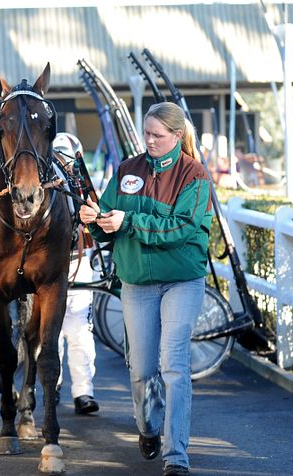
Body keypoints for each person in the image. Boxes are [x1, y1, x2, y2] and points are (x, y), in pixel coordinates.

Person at [79, 102, 211, 476]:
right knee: (140, 369)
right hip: (136, 282)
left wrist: (129, 221)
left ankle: (176, 456)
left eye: (158, 135)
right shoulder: (126, 170)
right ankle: (148, 427)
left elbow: (182, 229)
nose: (150, 141)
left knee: (174, 365)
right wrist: (93, 218)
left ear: (177, 136)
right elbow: (108, 217)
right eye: (147, 134)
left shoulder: (194, 175)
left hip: (182, 281)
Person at [52, 132, 99, 415]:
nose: (63, 163)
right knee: (51, 331)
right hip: (49, 264)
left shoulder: (84, 187)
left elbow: (98, 217)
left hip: (79, 261)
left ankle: (83, 392)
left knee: (80, 330)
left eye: (67, 156)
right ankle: (53, 385)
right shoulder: (43, 184)